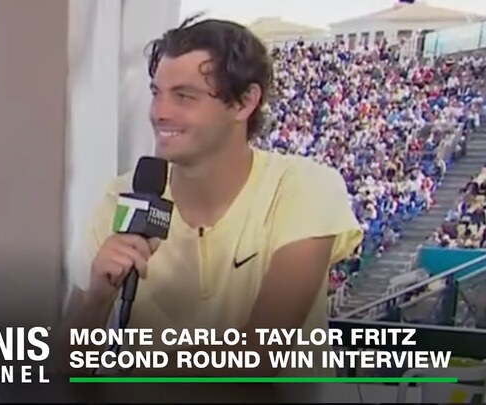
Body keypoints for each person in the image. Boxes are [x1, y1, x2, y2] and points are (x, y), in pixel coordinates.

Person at [59, 15, 363, 377]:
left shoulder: (304, 187)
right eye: (156, 93)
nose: (159, 113)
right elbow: (62, 364)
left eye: (184, 96)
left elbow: (258, 357)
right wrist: (96, 298)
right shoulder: (121, 198)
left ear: (244, 102)